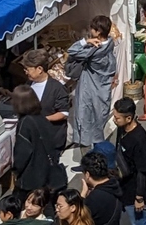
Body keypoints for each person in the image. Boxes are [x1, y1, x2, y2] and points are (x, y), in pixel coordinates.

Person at [66, 15, 117, 147]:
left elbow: (72, 51)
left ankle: (89, 158)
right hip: (103, 89)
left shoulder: (93, 50)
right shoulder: (110, 44)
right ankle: (98, 151)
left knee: (85, 119)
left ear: (98, 31)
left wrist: (86, 42)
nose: (91, 31)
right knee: (99, 120)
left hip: (89, 88)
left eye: (93, 29)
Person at [110, 99, 146, 225]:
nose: (114, 120)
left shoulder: (139, 139)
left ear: (129, 118)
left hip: (133, 188)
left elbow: (142, 170)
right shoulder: (122, 128)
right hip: (123, 182)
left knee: (139, 221)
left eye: (117, 118)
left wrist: (139, 197)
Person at [20, 48, 69, 156]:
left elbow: (63, 113)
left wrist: (42, 119)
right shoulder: (28, 85)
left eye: (28, 69)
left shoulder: (57, 88)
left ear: (39, 69)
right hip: (34, 138)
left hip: (51, 138)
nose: (25, 72)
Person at [11, 85, 59, 194]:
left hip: (31, 178)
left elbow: (22, 152)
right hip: (47, 173)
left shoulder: (25, 123)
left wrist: (16, 170)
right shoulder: (42, 117)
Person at [77, 151, 123, 225]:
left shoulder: (94, 198)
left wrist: (83, 195)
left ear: (87, 174)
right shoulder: (114, 185)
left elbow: (78, 216)